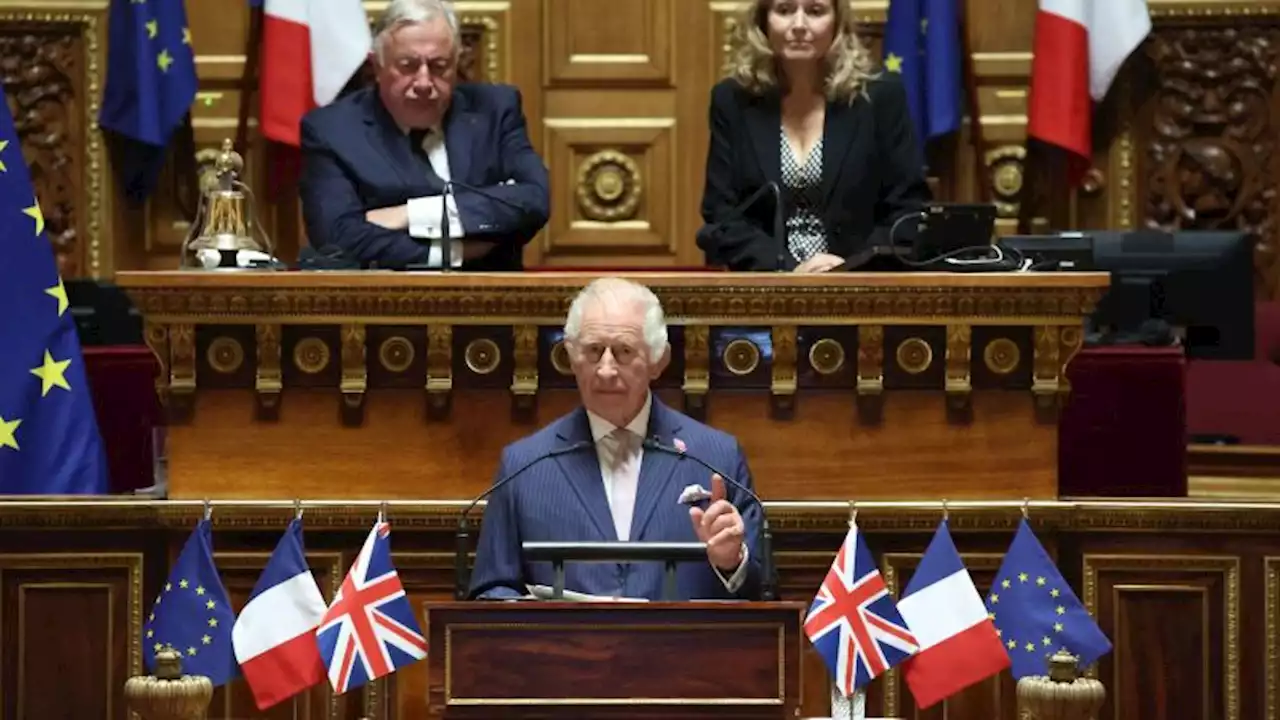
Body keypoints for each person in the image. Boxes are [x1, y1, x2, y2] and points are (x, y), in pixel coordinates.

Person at [467, 278, 764, 601]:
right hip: (563, 650)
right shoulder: (524, 465)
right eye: (593, 351)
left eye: (624, 352)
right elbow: (490, 590)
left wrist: (731, 562)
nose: (606, 370)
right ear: (571, 355)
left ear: (658, 361)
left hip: (683, 650)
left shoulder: (716, 457)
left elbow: (763, 594)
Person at [299, 0, 549, 270]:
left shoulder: (495, 110)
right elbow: (336, 239)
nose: (423, 83)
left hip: (491, 300)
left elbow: (533, 200)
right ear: (377, 66)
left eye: (439, 66)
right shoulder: (332, 130)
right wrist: (453, 252)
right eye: (407, 66)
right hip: (383, 304)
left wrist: (411, 215)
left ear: (457, 63)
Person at [697, 0, 931, 272]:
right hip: (766, 289)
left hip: (860, 287)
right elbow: (722, 215)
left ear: (837, 21)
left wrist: (849, 267)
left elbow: (908, 209)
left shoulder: (880, 97)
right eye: (784, 11)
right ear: (763, 21)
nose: (799, 25)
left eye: (815, 11)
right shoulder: (733, 100)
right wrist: (788, 268)